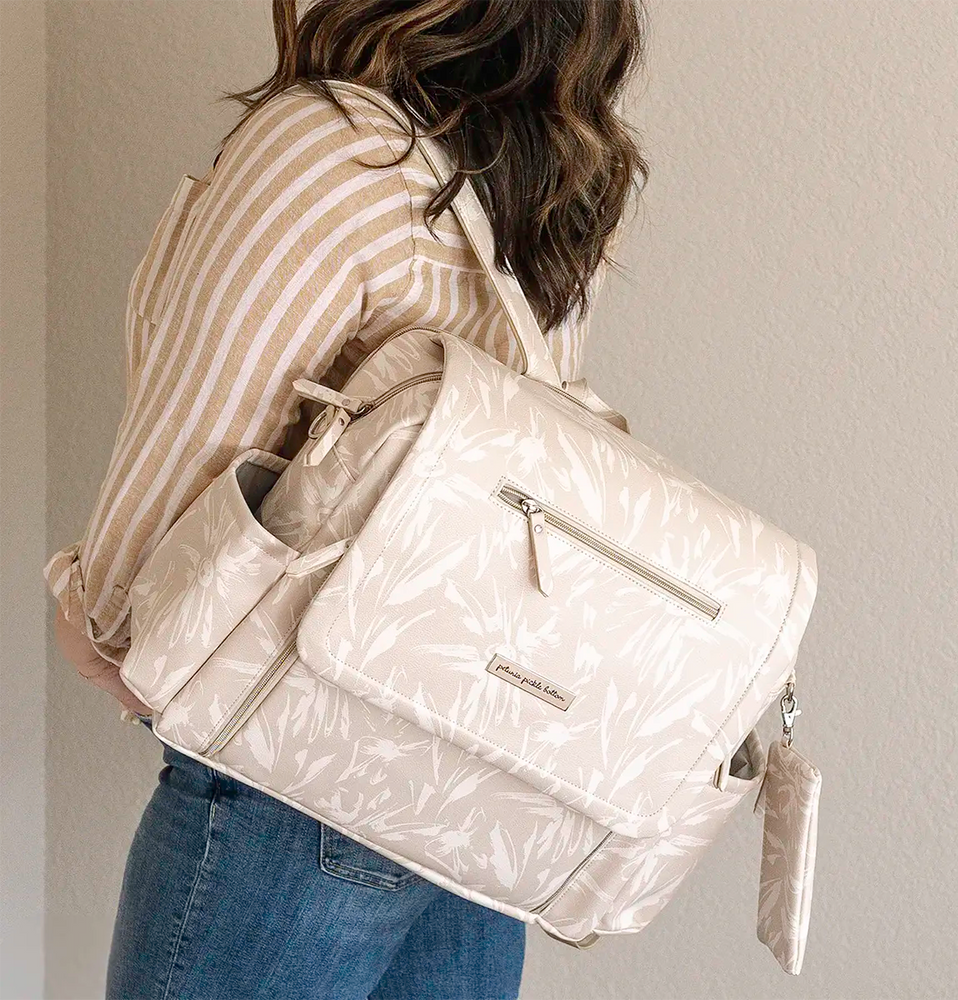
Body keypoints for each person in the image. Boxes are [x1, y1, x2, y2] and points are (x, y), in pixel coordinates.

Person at [45, 2, 649, 997]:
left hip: (298, 773)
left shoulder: (327, 150)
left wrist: (94, 618)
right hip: (472, 790)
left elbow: (187, 473)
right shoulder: (541, 175)